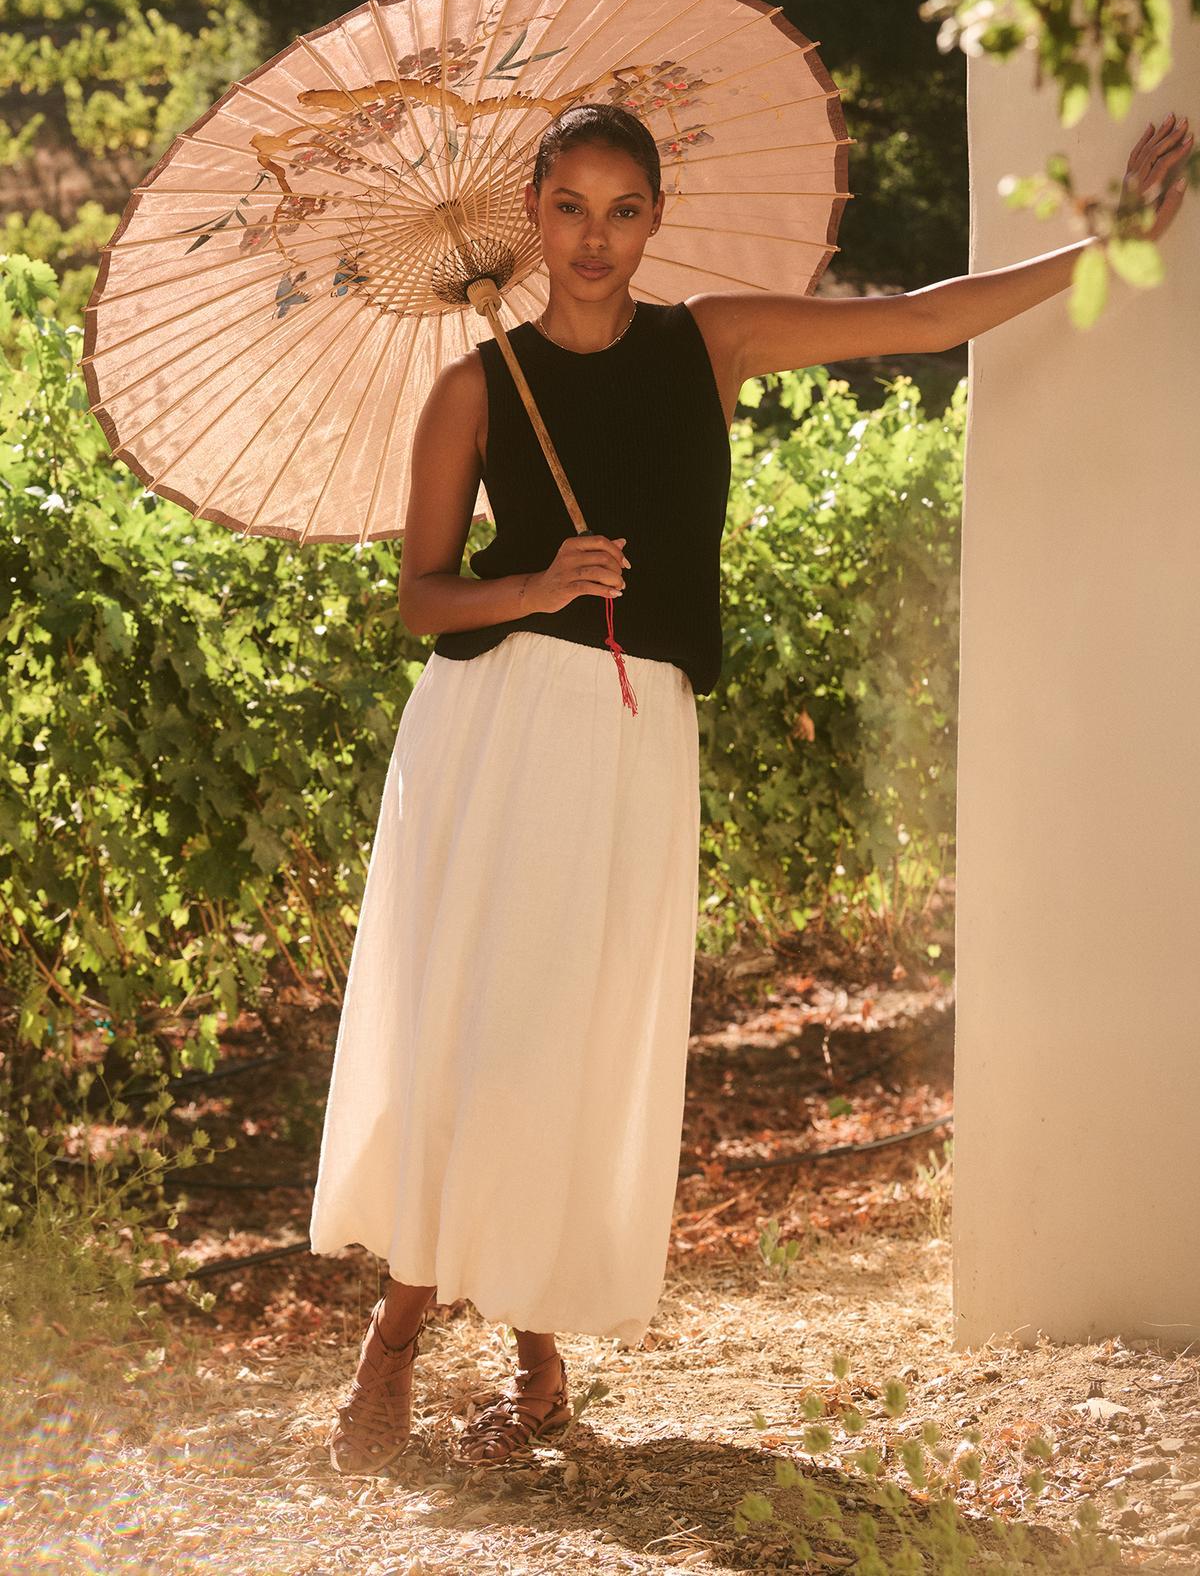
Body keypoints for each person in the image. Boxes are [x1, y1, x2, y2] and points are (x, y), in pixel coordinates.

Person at [308, 100, 1191, 1475]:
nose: (594, 239)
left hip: (637, 726)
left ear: (654, 220)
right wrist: (537, 581)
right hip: (496, 730)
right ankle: (403, 1338)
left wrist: (1113, 237)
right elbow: (422, 600)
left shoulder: (707, 343)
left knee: (569, 1037)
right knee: (483, 1030)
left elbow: (925, 320)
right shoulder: (474, 388)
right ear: (530, 218)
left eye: (622, 210)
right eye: (569, 209)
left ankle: (532, 1355)